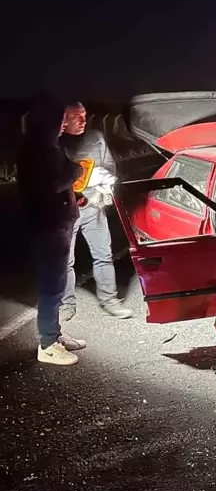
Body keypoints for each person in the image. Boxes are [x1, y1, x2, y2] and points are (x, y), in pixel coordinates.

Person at [16, 94, 87, 365]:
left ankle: (54, 334)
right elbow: (47, 184)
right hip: (49, 226)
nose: (62, 123)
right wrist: (76, 171)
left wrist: (74, 198)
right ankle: (47, 345)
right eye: (60, 117)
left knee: (56, 283)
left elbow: (55, 186)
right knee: (52, 286)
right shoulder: (38, 147)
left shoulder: (47, 144)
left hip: (57, 221)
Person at [60, 102, 132, 321]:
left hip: (93, 206)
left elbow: (110, 168)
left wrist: (105, 186)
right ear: (63, 119)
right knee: (65, 260)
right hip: (66, 210)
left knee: (103, 254)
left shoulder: (96, 138)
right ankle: (66, 305)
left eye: (84, 116)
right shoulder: (55, 143)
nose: (82, 121)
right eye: (76, 117)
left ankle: (110, 300)